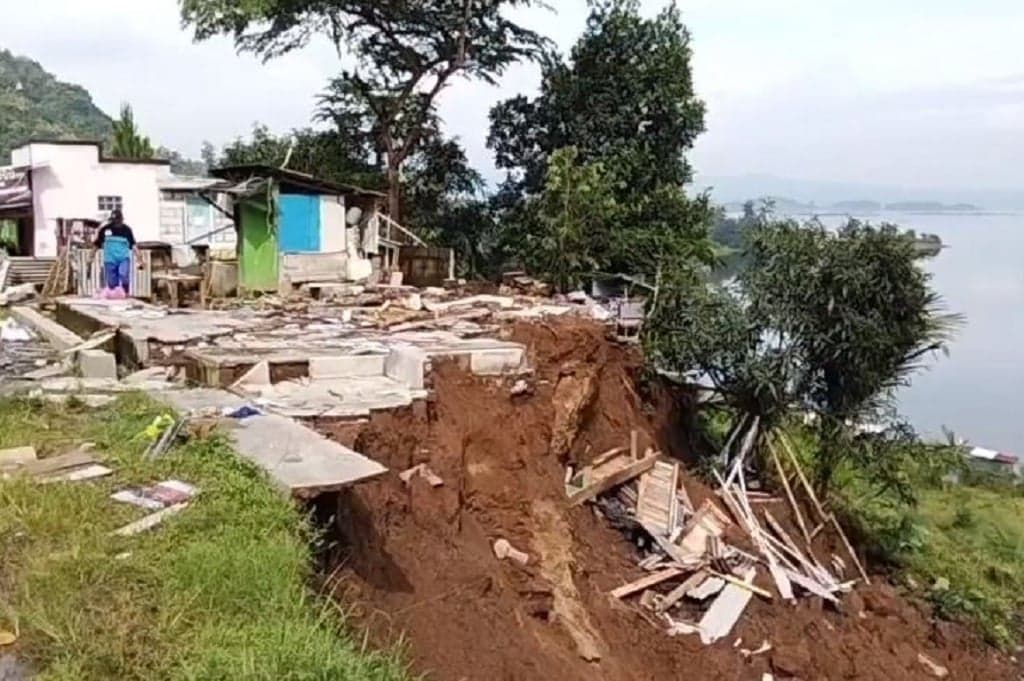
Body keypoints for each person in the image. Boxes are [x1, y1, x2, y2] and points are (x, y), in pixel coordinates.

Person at [93, 209, 138, 298]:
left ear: (121, 219)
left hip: (123, 258)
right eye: (114, 221)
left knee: (124, 275)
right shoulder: (105, 230)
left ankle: (126, 292)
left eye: (118, 220)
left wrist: (140, 258)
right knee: (112, 282)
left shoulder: (127, 230)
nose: (116, 223)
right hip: (110, 259)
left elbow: (133, 245)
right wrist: (91, 256)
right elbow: (97, 244)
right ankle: (115, 295)